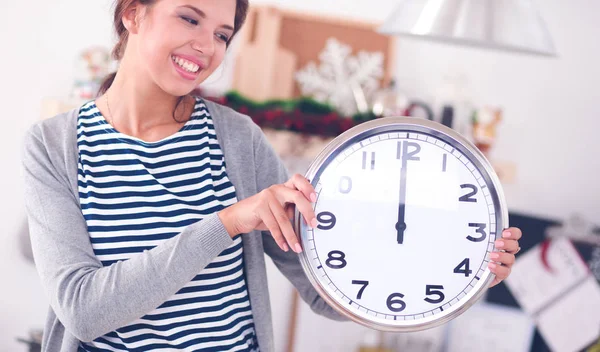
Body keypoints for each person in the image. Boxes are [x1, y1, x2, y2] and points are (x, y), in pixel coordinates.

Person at [21, 0, 523, 351]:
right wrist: (227, 223)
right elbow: (83, 311)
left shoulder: (237, 139)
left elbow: (326, 288)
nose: (206, 46)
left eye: (222, 34)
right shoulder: (54, 146)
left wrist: (460, 275)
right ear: (133, 12)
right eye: (189, 18)